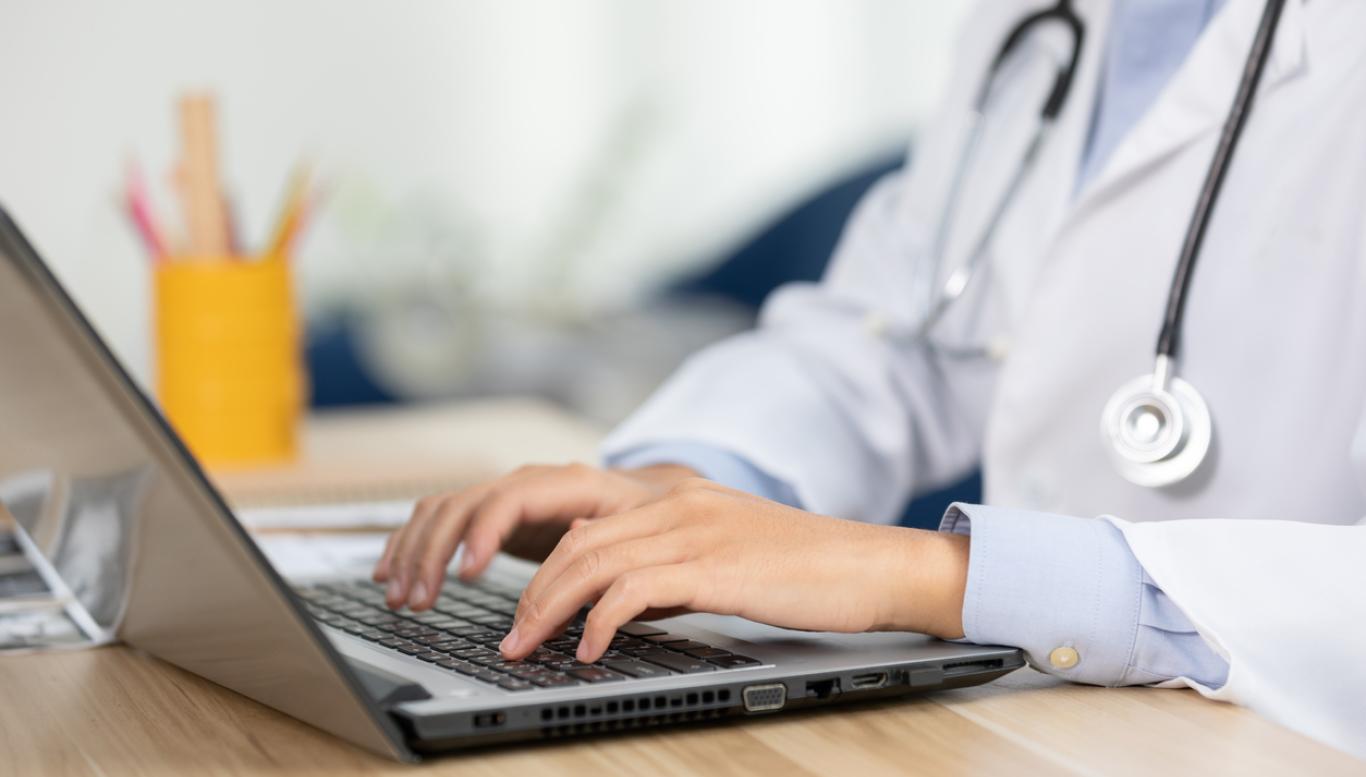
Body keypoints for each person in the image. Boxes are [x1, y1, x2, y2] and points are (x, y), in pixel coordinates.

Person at [374, 0, 1366, 758]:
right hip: (1043, 735)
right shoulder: (1046, 22)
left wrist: (927, 575)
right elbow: (891, 334)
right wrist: (680, 487)